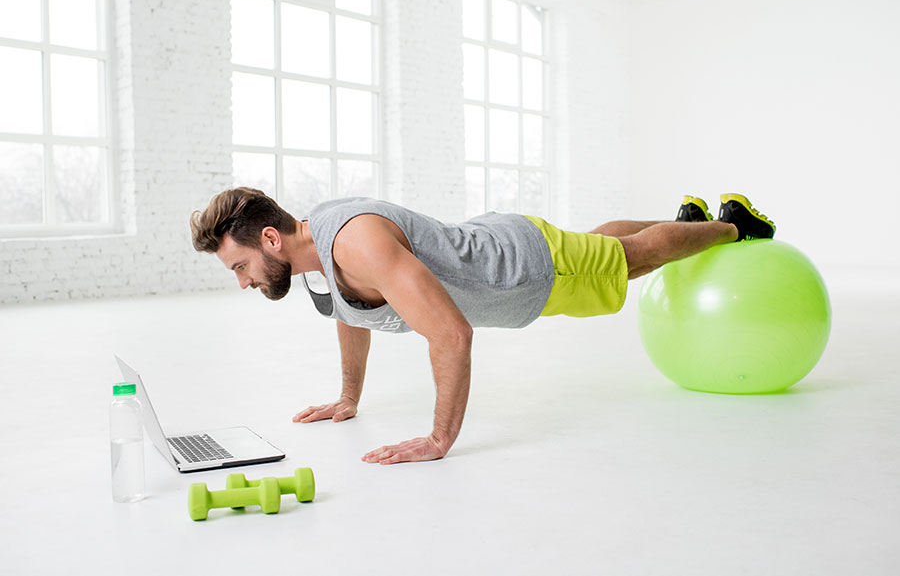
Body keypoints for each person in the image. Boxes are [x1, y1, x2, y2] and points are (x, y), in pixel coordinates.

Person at [190, 190, 775, 465]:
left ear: (270, 238)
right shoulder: (316, 252)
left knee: (632, 258)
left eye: (240, 267)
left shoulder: (356, 241)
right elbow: (351, 313)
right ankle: (688, 220)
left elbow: (450, 334)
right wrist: (348, 397)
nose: (243, 282)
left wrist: (439, 438)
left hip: (524, 268)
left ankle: (732, 227)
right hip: (504, 248)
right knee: (601, 242)